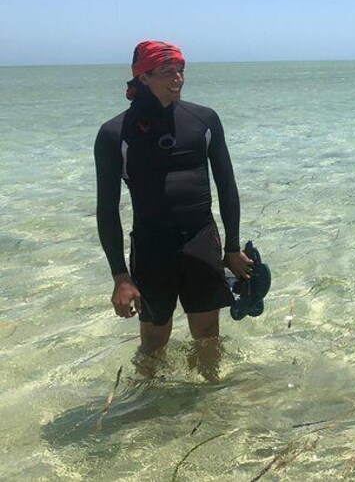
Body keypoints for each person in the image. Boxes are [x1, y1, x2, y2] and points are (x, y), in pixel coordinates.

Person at [95, 40, 252, 379]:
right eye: (168, 72)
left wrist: (233, 248)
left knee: (208, 333)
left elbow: (227, 186)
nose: (178, 78)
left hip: (201, 240)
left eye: (181, 70)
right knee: (154, 340)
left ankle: (211, 397)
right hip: (152, 248)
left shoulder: (204, 121)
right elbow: (106, 210)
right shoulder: (113, 134)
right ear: (144, 76)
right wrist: (120, 276)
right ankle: (148, 408)